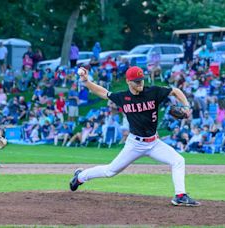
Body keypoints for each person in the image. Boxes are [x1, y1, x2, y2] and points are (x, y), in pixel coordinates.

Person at [69, 66, 200, 206]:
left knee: (178, 160)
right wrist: (86, 81)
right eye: (136, 81)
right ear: (128, 82)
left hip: (154, 143)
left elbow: (175, 91)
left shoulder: (153, 91)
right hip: (135, 144)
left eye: (141, 80)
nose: (140, 83)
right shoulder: (123, 97)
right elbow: (103, 92)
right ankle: (80, 177)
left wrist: (186, 107)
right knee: (110, 171)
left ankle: (180, 195)